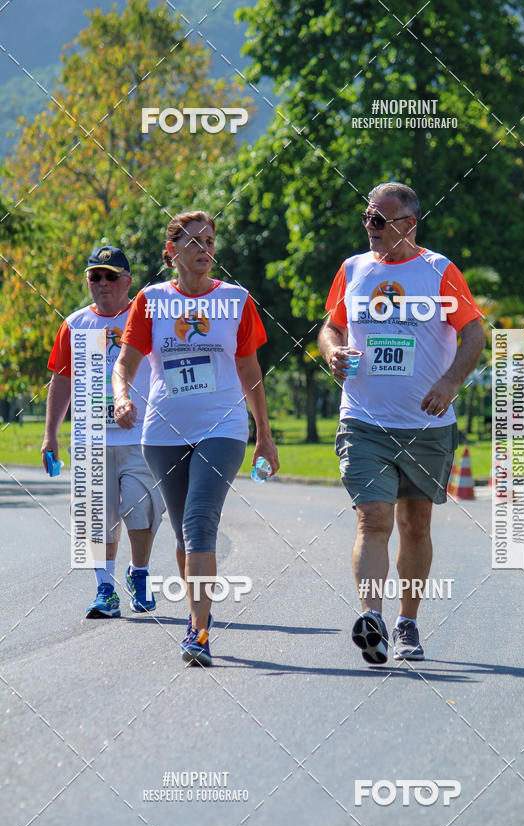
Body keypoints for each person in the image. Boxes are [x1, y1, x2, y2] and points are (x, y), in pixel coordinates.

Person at [318, 182, 485, 664]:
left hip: (427, 426)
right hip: (364, 421)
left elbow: (473, 333)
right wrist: (333, 352)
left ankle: (407, 622)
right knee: (373, 519)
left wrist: (451, 382)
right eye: (366, 218)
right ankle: (372, 618)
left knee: (415, 524)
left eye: (378, 220)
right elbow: (331, 326)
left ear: (408, 224)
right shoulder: (353, 270)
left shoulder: (439, 272)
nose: (368, 228)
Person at [112, 210, 279, 666]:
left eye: (209, 241)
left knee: (201, 522)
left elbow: (250, 370)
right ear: (171, 253)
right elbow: (124, 363)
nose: (203, 250)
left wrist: (264, 433)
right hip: (162, 431)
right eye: (192, 242)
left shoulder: (236, 300)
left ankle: (200, 632)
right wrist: (122, 396)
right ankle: (195, 616)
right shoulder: (150, 301)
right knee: (186, 534)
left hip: (222, 428)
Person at [42, 246, 165, 617]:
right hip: (90, 439)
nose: (103, 283)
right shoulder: (76, 324)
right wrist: (51, 435)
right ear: (88, 282)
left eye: (111, 275)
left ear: (128, 280)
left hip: (139, 436)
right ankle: (105, 589)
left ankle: (138, 574)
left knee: (141, 511)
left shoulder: (147, 319)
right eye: (95, 276)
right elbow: (61, 381)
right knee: (93, 516)